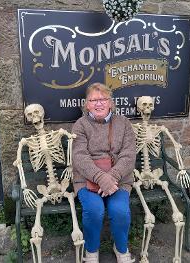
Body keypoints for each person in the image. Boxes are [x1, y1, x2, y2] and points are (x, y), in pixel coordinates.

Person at [72, 83, 136, 263]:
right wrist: (101, 178)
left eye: (102, 99)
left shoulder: (123, 123)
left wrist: (113, 177)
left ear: (110, 103)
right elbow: (80, 156)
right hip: (86, 179)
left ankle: (121, 248)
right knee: (94, 210)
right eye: (93, 100)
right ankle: (91, 250)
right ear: (87, 104)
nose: (98, 104)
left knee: (120, 210)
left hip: (119, 178)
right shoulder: (80, 125)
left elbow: (129, 155)